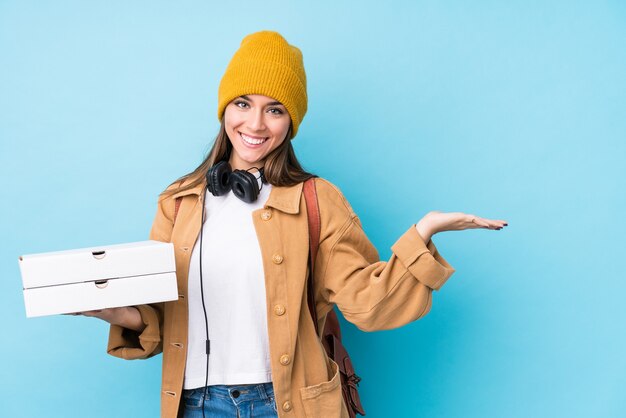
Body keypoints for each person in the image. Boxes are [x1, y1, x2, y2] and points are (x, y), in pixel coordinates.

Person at [81, 30, 508, 418]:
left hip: (286, 403)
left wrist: (421, 235)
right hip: (195, 403)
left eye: (275, 110)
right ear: (224, 108)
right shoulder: (178, 202)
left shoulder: (317, 199)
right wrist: (120, 314)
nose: (255, 124)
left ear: (291, 123)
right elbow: (161, 316)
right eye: (243, 104)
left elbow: (368, 304)